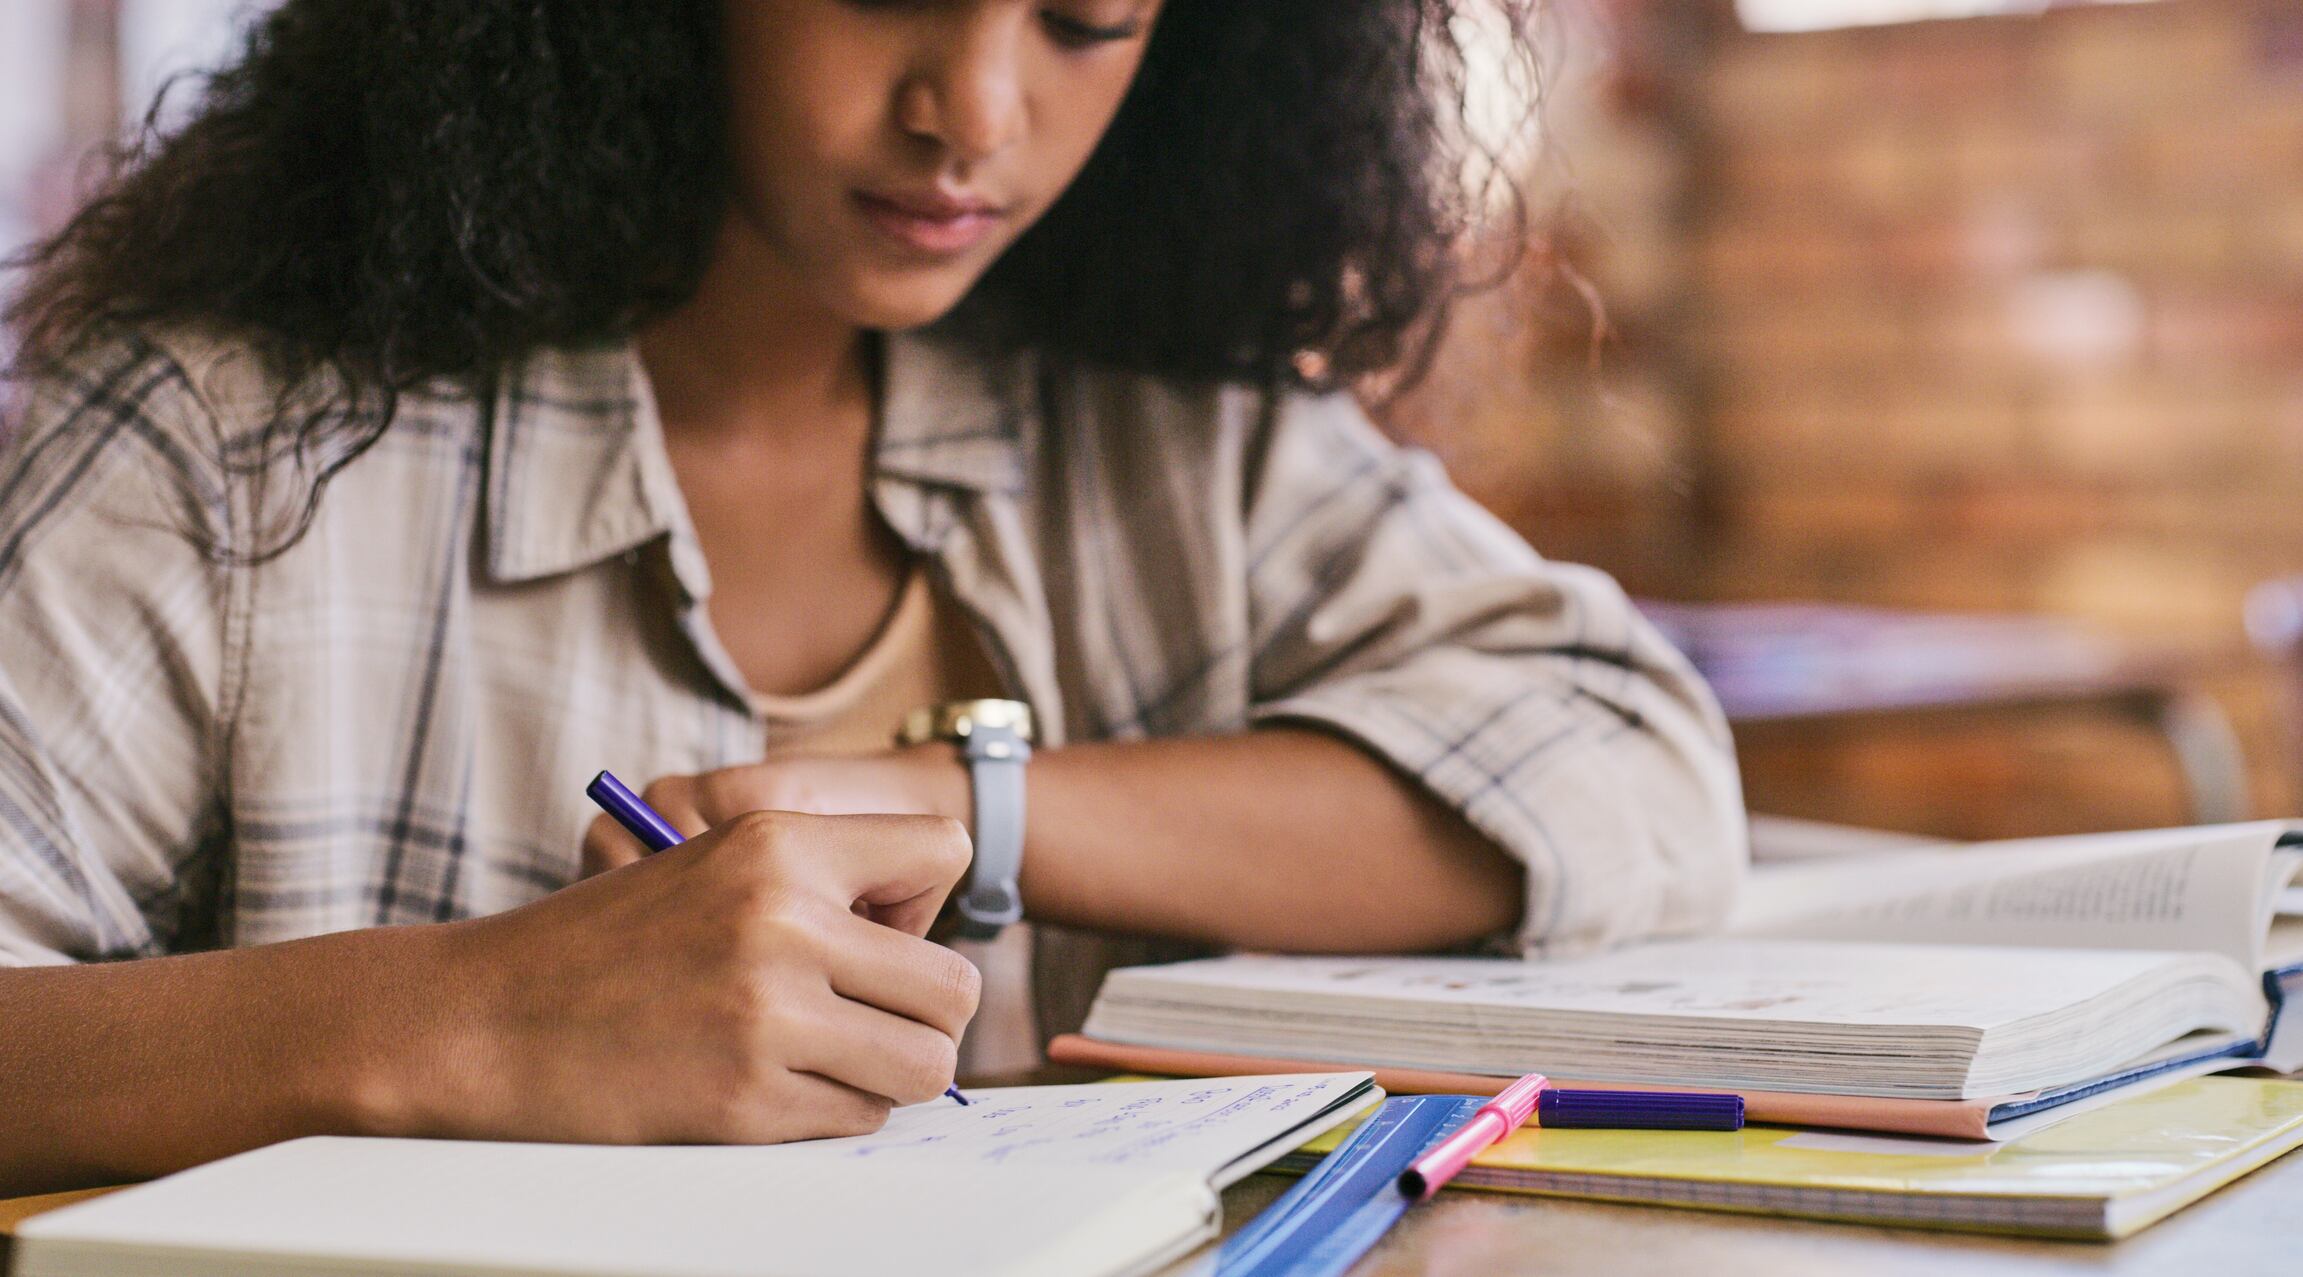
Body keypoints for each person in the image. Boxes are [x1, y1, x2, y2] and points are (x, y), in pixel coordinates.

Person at [0, 0, 1744, 1196]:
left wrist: (955, 803)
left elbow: (1629, 750)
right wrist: (478, 1015)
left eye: (1081, 18)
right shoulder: (232, 450)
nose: (973, 114)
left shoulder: (1176, 431)